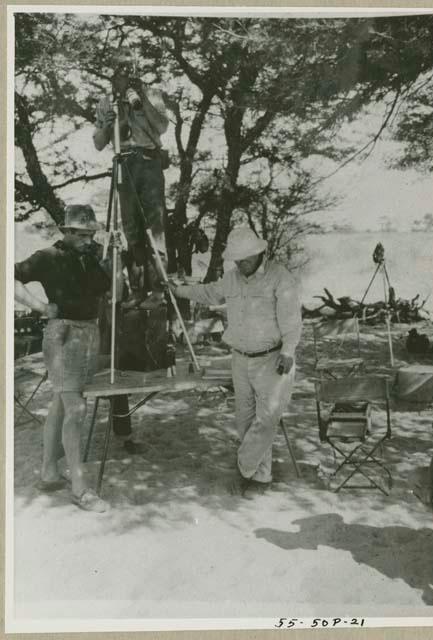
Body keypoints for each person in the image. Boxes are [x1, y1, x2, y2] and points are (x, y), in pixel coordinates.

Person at [168, 227, 302, 497]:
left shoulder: (279, 277)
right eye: (237, 259)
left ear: (259, 252)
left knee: (267, 419)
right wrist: (178, 291)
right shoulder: (231, 279)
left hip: (272, 359)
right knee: (245, 421)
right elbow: (208, 293)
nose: (242, 264)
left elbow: (291, 320)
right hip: (239, 359)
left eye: (246, 258)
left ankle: (244, 465)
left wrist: (288, 351)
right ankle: (259, 478)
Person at [14, 205, 124, 512]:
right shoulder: (47, 257)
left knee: (62, 404)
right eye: (83, 234)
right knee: (75, 408)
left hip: (91, 334)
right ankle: (80, 488)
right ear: (67, 231)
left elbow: (117, 293)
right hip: (62, 335)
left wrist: (116, 260)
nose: (89, 239)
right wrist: (38, 306)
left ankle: (49, 471)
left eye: (92, 234)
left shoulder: (94, 256)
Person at [93, 46, 169, 309]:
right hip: (124, 162)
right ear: (112, 75)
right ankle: (137, 290)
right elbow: (98, 143)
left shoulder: (152, 93)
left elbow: (162, 126)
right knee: (131, 230)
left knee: (154, 228)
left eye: (129, 69)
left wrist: (141, 101)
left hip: (148, 161)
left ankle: (158, 291)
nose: (123, 74)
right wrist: (107, 124)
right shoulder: (105, 102)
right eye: (119, 70)